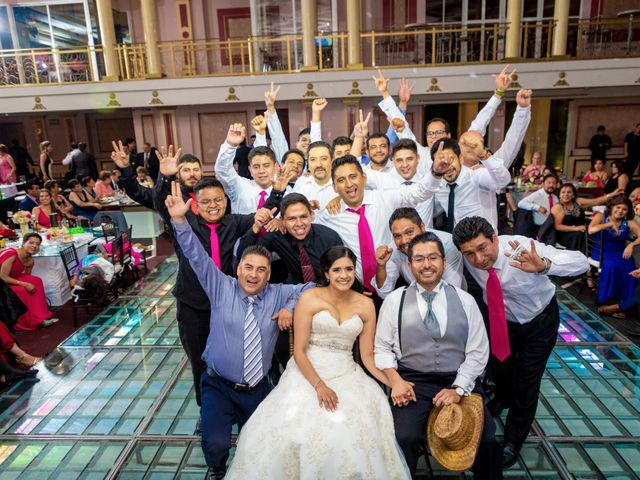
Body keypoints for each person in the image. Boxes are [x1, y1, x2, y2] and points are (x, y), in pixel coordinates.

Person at [226, 246, 411, 480]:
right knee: (294, 429)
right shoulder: (309, 298)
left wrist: (393, 382)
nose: (343, 275)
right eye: (337, 270)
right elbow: (300, 352)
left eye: (349, 269)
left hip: (346, 372)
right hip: (308, 370)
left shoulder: (365, 305)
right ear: (326, 273)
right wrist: (319, 385)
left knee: (355, 427)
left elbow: (367, 357)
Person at [165, 186, 311, 480]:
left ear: (268, 275)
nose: (253, 274)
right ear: (238, 269)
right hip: (218, 384)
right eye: (248, 267)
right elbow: (195, 255)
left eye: (260, 270)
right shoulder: (221, 286)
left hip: (257, 388)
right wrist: (180, 222)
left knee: (262, 445)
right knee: (216, 443)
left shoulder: (277, 292)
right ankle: (217, 469)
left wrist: (291, 307)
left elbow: (310, 287)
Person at [452, 216, 588, 467]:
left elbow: (581, 261)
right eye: (469, 254)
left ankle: (514, 439)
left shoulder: (520, 246)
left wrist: (545, 265)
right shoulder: (467, 255)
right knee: (499, 366)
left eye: (483, 248)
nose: (479, 260)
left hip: (539, 321)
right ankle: (503, 397)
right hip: (502, 320)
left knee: (527, 381)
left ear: (494, 237)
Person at [375, 232, 500, 479]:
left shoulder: (466, 301)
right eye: (419, 259)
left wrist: (458, 388)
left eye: (433, 257)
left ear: (443, 262)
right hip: (413, 382)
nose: (427, 265)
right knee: (403, 437)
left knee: (487, 440)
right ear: (409, 265)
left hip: (459, 380)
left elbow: (477, 352)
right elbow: (382, 348)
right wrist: (396, 381)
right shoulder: (394, 301)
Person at [313, 155, 442, 293]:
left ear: (364, 177)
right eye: (341, 180)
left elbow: (417, 193)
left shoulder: (384, 198)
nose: (349, 184)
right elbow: (304, 228)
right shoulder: (329, 215)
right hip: (355, 290)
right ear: (334, 187)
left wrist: (435, 173)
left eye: (353, 176)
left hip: (393, 283)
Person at [238, 193, 343, 284]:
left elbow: (343, 273)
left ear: (311, 215)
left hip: (329, 291)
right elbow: (244, 255)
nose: (299, 224)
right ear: (282, 220)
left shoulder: (330, 238)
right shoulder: (278, 236)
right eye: (292, 219)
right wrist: (256, 227)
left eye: (303, 217)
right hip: (296, 293)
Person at [374, 207, 464, 297]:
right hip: (417, 301)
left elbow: (452, 292)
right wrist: (381, 266)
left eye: (409, 232)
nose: (404, 240)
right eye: (397, 236)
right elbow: (384, 293)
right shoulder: (392, 250)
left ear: (422, 227)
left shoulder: (447, 244)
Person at [431, 137, 512, 232]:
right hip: (457, 241)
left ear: (460, 159)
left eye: (451, 160)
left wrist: (483, 154)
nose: (447, 167)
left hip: (485, 242)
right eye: (441, 162)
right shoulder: (439, 186)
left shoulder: (476, 175)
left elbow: (503, 181)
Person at [215, 123, 292, 214]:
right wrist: (230, 145)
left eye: (266, 165)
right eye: (256, 167)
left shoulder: (286, 191)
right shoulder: (239, 187)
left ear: (275, 167)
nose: (261, 171)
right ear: (250, 170)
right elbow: (223, 170)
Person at [588, 197, 640, 319]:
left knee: (631, 268)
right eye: (618, 207)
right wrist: (609, 224)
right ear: (612, 207)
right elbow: (591, 230)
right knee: (611, 265)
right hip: (601, 250)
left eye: (624, 209)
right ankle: (605, 298)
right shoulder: (601, 216)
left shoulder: (629, 221)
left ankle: (626, 302)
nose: (620, 211)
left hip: (620, 251)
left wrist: (632, 244)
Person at [0, 233, 59, 331]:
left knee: (37, 281)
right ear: (23, 243)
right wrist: (25, 284)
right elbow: (3, 277)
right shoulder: (11, 254)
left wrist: (28, 284)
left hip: (11, 278)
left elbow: (27, 276)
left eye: (37, 244)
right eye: (31, 242)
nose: (34, 246)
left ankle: (39, 316)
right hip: (2, 281)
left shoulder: (30, 260)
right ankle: (26, 321)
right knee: (23, 290)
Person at [550, 183, 621, 251]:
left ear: (573, 195)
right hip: (566, 233)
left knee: (596, 228)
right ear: (559, 195)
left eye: (569, 192)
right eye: (563, 192)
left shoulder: (577, 201)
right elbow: (557, 226)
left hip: (582, 227)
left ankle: (605, 251)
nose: (566, 194)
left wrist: (612, 194)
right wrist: (575, 228)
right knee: (581, 234)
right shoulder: (557, 207)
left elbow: (596, 201)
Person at [292, 141, 336, 209]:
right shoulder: (301, 183)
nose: (318, 164)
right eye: (313, 159)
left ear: (332, 161)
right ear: (308, 163)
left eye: (324, 159)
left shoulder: (342, 185)